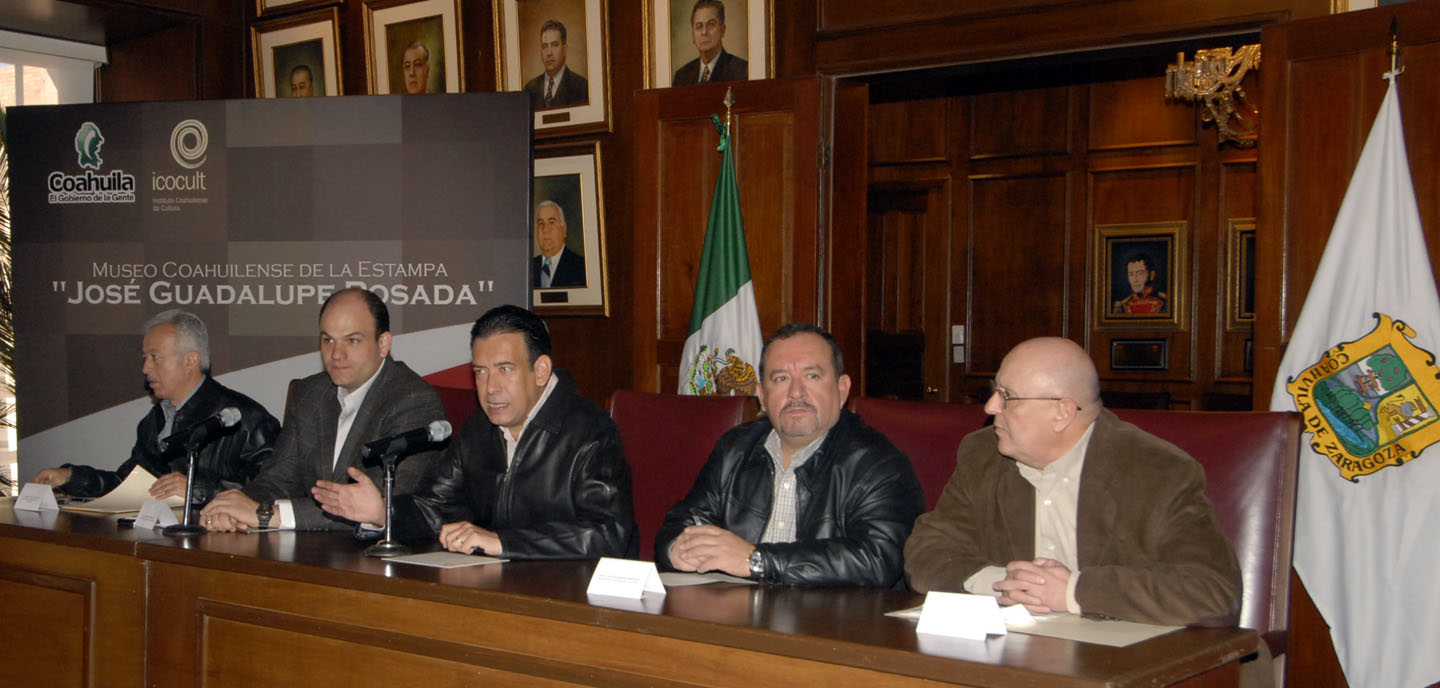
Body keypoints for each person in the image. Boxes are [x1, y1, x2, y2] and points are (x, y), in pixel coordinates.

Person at [904, 337, 1241, 625]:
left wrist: (1072, 591)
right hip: (1015, 659)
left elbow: (1213, 592)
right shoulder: (983, 455)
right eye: (994, 392)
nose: (991, 407)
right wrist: (1004, 582)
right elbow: (926, 552)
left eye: (1008, 396)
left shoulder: (1158, 472)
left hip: (1121, 665)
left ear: (1063, 412)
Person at [313, 305, 636, 559]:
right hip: (501, 587)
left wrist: (501, 542)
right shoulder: (480, 428)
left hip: (575, 598)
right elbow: (435, 507)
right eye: (480, 372)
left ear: (540, 371)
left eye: (504, 370)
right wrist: (383, 512)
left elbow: (607, 534)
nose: (490, 388)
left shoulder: (590, 432)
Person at [654, 323, 925, 587]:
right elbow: (684, 524)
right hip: (736, 618)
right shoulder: (735, 449)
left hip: (830, 625)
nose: (796, 393)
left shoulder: (878, 462)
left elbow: (878, 558)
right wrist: (676, 548)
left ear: (842, 390)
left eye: (812, 376)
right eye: (781, 379)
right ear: (762, 395)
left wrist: (757, 561)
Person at [199, 288, 445, 531]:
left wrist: (265, 514)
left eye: (352, 340)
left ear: (383, 344)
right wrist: (236, 510)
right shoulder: (310, 393)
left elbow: (384, 506)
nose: (336, 354)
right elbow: (277, 479)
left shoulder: (413, 401)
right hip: (310, 551)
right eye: (328, 340)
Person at [32, 310, 279, 505]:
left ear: (191, 360)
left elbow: (273, 490)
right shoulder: (156, 420)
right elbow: (128, 486)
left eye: (155, 357)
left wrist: (198, 488)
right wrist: (71, 477)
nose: (145, 369)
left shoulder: (245, 418)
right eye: (145, 358)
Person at [672, 0, 749, 86]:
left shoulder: (742, 71)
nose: (704, 32)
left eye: (711, 24)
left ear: (722, 30)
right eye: (699, 26)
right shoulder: (681, 76)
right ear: (693, 35)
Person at [522, 20, 589, 109]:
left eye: (554, 45)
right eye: (544, 46)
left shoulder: (582, 87)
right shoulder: (530, 89)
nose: (549, 53)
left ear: (565, 49)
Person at [531, 200, 586, 288]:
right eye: (541, 223)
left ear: (564, 229)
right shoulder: (528, 268)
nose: (545, 229)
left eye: (551, 222)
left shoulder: (582, 268)